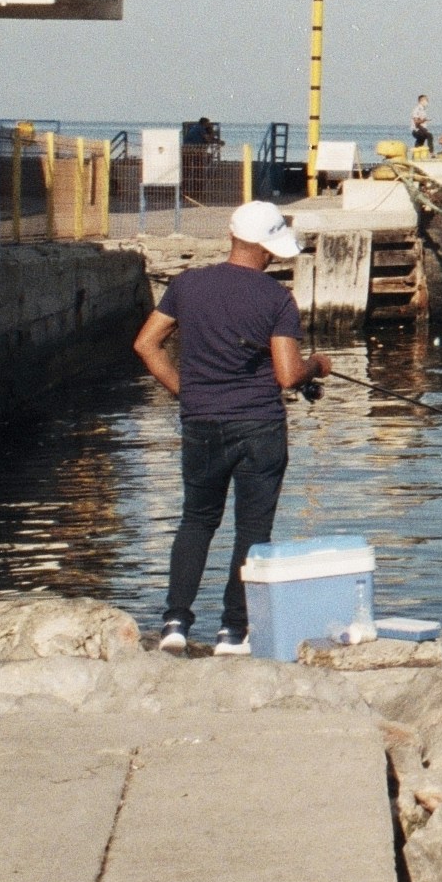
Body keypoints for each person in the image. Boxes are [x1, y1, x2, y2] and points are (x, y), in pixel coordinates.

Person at [132, 198, 330, 654]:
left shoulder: (187, 285)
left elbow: (146, 344)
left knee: (196, 521)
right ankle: (232, 632)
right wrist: (317, 365)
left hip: (201, 422)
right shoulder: (277, 298)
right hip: (259, 425)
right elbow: (286, 374)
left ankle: (175, 625)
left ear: (232, 237)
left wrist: (185, 390)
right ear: (266, 247)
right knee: (252, 531)